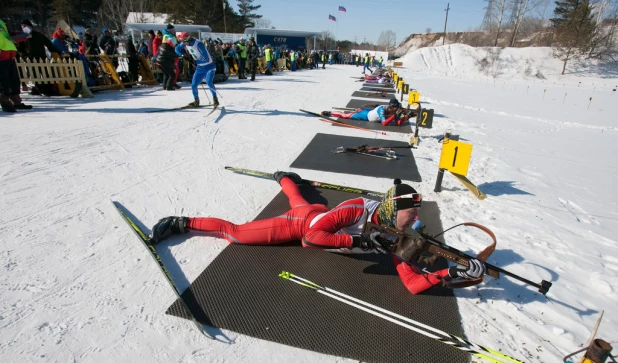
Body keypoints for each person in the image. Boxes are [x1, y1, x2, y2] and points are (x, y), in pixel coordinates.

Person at [149, 173, 487, 295]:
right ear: (390, 209)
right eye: (410, 212)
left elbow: (413, 284)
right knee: (237, 233)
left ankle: (286, 179)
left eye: (416, 213)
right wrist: (356, 240)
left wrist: (453, 270)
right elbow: (312, 239)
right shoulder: (357, 208)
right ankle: (181, 222)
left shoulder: (402, 236)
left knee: (299, 198)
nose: (415, 218)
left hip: (316, 217)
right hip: (302, 226)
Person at [175, 32, 218, 108]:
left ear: (188, 39)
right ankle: (196, 101)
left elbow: (206, 59)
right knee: (193, 85)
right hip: (200, 67)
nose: (184, 44)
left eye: (184, 42)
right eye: (182, 42)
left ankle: (215, 99)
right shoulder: (185, 43)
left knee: (209, 82)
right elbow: (177, 49)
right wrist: (183, 55)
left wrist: (194, 61)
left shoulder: (198, 44)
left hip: (209, 66)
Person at [1, 18, 32, 112]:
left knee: (14, 80)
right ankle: (5, 102)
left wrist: (24, 35)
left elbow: (10, 35)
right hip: (1, 55)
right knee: (3, 81)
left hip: (10, 54)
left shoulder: (1, 22)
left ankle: (16, 101)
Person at [321, 99, 408, 126]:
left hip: (369, 112)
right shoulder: (382, 109)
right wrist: (394, 116)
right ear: (392, 107)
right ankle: (329, 113)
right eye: (396, 108)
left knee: (356, 111)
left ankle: (359, 110)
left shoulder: (393, 110)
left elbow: (398, 123)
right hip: (365, 115)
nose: (398, 110)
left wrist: (406, 117)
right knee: (345, 115)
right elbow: (384, 123)